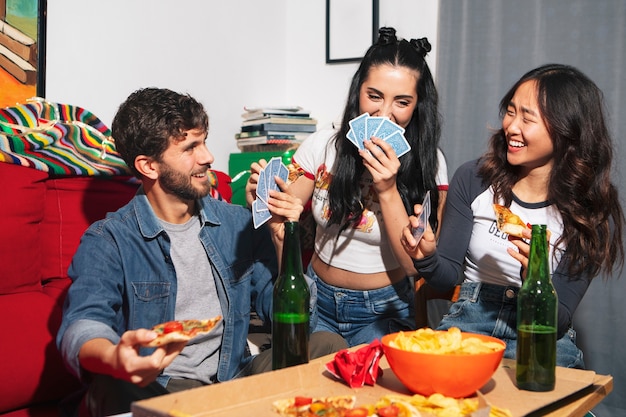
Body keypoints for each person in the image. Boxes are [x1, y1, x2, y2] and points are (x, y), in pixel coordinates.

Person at [56, 88, 347, 417]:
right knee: (111, 387)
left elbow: (284, 315)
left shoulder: (238, 223)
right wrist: (116, 358)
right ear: (148, 166)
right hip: (167, 387)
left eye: (204, 141)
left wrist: (282, 238)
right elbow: (82, 325)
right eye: (190, 147)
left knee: (328, 345)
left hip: (235, 378)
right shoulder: (109, 239)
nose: (208, 156)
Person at [401, 63, 624, 368]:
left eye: (527, 118)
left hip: (542, 334)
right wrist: (425, 255)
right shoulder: (473, 178)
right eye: (510, 111)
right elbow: (446, 275)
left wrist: (535, 275)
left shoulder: (591, 210)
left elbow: (557, 321)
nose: (511, 127)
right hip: (470, 323)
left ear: (566, 130)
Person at [246, 27, 449, 347]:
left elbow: (414, 265)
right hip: (316, 298)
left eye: (402, 102)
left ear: (417, 105)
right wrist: (266, 198)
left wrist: (386, 188)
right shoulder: (321, 146)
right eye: (375, 96)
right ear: (358, 92)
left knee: (371, 390)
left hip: (383, 309)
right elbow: (285, 222)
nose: (384, 114)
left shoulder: (431, 164)